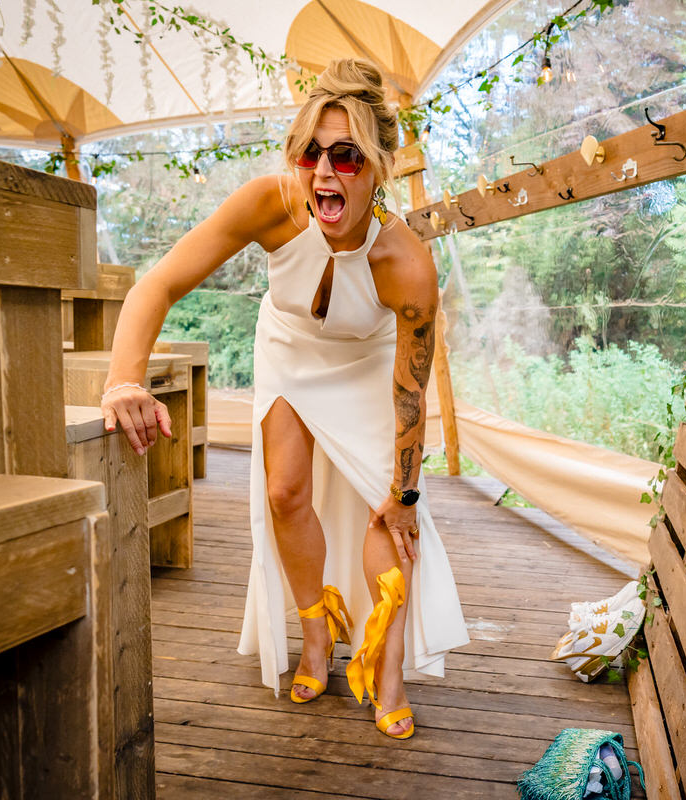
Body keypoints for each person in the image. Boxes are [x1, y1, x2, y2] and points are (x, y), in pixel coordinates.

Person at [100, 58, 469, 740]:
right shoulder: (269, 203)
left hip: (367, 363)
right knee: (284, 493)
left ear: (379, 167)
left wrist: (407, 491)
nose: (324, 171)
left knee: (387, 514)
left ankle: (387, 669)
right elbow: (158, 284)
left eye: (347, 156)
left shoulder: (406, 262)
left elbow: (412, 391)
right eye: (310, 153)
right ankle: (317, 633)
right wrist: (124, 378)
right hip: (288, 348)